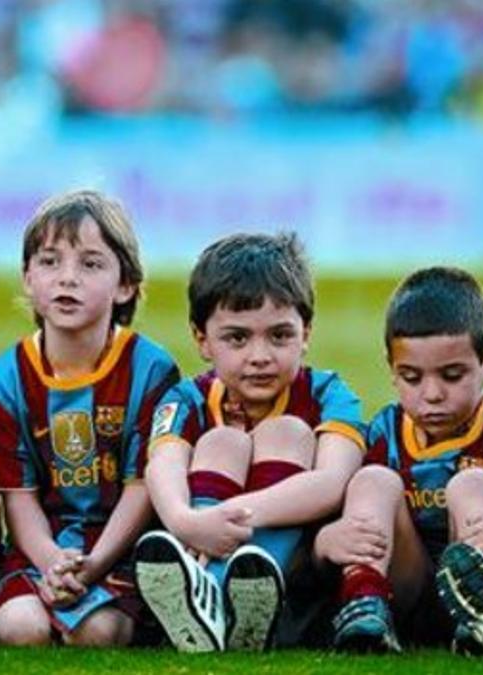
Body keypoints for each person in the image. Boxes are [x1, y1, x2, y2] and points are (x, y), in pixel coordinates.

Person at [314, 266, 483, 663]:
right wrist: (325, 543)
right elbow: (356, 524)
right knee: (372, 478)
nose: (431, 394)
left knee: (473, 485)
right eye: (411, 378)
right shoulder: (386, 429)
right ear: (391, 368)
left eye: (452, 376)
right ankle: (364, 602)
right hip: (407, 590)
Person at [0, 190, 179, 647]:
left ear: (126, 285)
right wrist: (51, 563)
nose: (67, 278)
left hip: (121, 551)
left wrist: (94, 564)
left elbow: (145, 488)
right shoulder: (5, 378)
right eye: (49, 261)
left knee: (98, 632)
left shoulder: (151, 369)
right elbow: (17, 500)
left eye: (91, 264)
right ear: (27, 278)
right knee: (21, 628)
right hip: (37, 550)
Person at [136, 232, 365, 652]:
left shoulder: (328, 393)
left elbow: (333, 481)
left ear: (306, 332)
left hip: (299, 584)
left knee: (288, 431)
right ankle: (207, 596)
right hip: (199, 542)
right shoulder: (187, 398)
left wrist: (224, 515)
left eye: (279, 336)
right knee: (223, 441)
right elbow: (162, 464)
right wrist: (185, 521)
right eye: (237, 338)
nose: (260, 356)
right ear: (202, 339)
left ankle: (239, 596)